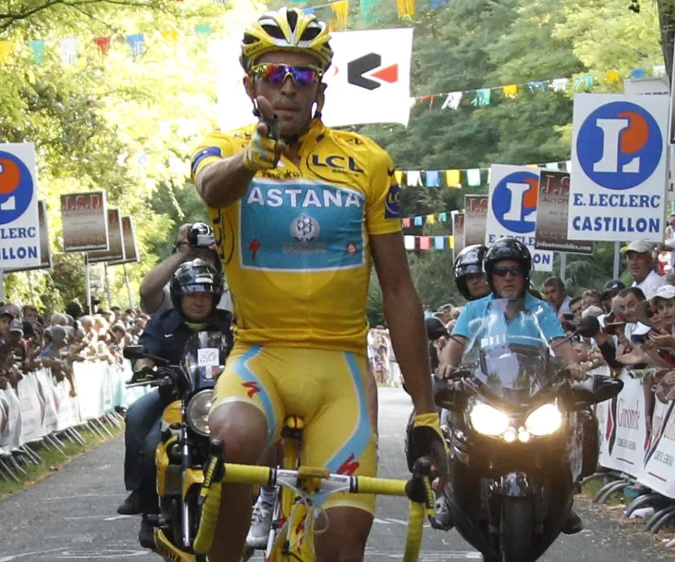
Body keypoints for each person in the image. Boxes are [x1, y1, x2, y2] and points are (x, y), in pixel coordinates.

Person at [188, 8, 443, 560]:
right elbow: (211, 187)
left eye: (302, 77)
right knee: (230, 438)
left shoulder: (367, 160)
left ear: (320, 87)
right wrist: (249, 162)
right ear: (250, 83)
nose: (287, 88)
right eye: (273, 74)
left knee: (342, 543)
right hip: (260, 356)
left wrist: (425, 409)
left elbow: (398, 290)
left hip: (341, 368)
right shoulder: (224, 146)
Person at [435, 238, 586, 532]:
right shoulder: (475, 310)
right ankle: (444, 493)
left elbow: (560, 345)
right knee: (445, 423)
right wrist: (448, 365)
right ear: (491, 275)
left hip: (535, 394)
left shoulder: (542, 310)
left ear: (525, 275)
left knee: (572, 425)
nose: (508, 277)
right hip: (484, 392)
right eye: (501, 271)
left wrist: (572, 364)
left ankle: (566, 499)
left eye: (514, 271)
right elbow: (457, 345)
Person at [117, 260, 233, 548]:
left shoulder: (229, 323)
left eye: (205, 295)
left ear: (215, 297)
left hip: (219, 398)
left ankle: (258, 499)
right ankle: (145, 504)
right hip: (172, 396)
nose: (198, 301)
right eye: (191, 295)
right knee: (141, 424)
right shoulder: (163, 322)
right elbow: (145, 351)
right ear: (179, 297)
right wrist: (143, 366)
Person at [139, 222, 233, 314]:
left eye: (208, 256)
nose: (200, 261)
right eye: (192, 254)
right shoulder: (171, 292)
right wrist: (182, 252)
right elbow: (146, 292)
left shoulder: (229, 292)